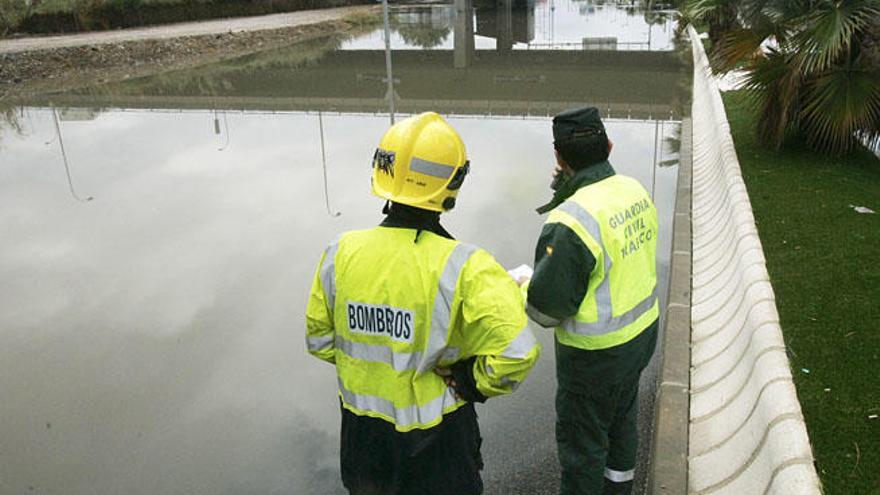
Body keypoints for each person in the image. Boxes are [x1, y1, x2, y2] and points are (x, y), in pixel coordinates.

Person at [305, 111, 541, 495]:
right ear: (453, 182)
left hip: (363, 441)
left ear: (382, 171)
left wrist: (379, 358)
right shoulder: (466, 265)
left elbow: (319, 341)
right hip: (438, 446)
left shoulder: (339, 252)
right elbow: (517, 354)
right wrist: (469, 381)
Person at [521, 107, 659, 494]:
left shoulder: (570, 222)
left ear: (559, 157)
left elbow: (547, 311)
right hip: (639, 340)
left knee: (583, 446)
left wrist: (522, 287)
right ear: (610, 146)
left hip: (594, 359)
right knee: (621, 425)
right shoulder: (635, 190)